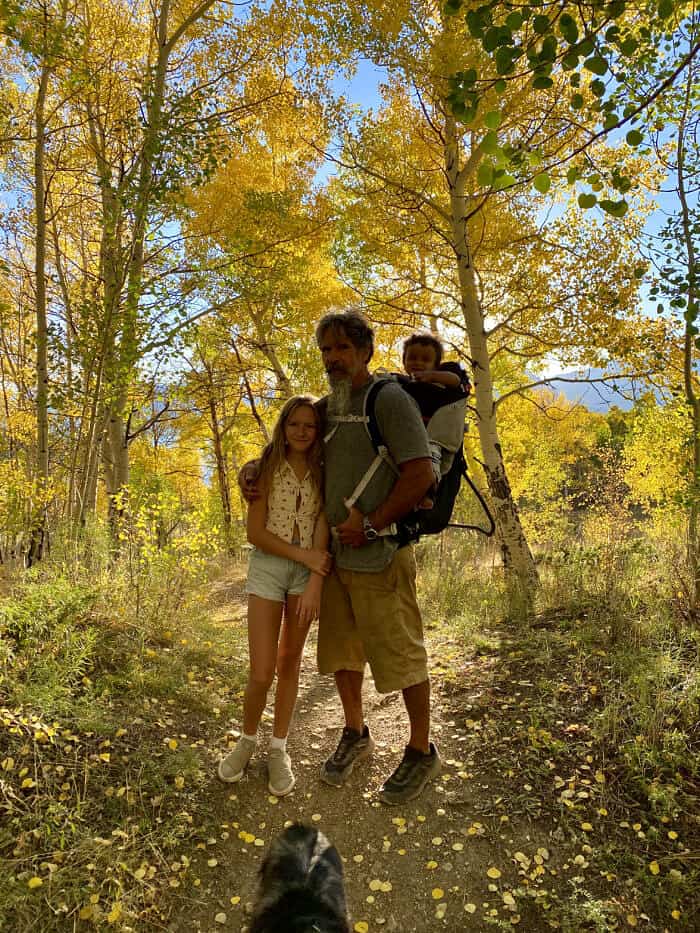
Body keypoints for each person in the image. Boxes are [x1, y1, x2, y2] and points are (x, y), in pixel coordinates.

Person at [218, 395, 331, 797]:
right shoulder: (263, 469)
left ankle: (279, 749)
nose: (302, 431)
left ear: (318, 430)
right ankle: (247, 740)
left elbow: (323, 524)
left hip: (307, 574)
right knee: (262, 670)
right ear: (282, 427)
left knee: (289, 663)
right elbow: (255, 533)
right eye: (294, 424)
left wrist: (315, 580)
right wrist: (304, 556)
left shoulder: (324, 470)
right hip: (268, 567)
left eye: (310, 425)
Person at [399, 332, 470, 508]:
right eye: (412, 358)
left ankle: (428, 494)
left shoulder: (445, 376)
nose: (418, 363)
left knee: (431, 463)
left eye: (425, 360)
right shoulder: (403, 384)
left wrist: (432, 376)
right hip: (411, 436)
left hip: (435, 437)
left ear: (436, 365)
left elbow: (456, 381)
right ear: (404, 361)